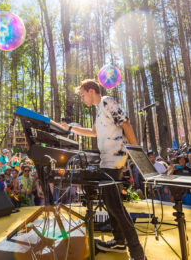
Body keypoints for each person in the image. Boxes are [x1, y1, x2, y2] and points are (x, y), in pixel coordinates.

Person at [61, 79, 145, 260]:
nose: (82, 98)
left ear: (91, 91)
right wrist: (69, 128)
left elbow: (126, 124)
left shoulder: (107, 101)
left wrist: (137, 152)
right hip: (106, 161)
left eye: (83, 94)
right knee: (110, 203)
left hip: (114, 161)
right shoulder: (100, 110)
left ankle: (138, 254)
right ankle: (119, 242)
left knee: (115, 206)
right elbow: (93, 132)